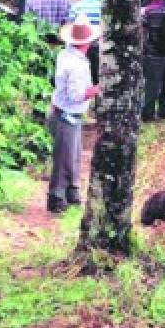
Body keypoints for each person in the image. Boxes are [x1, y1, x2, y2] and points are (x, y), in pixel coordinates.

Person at [48, 15, 103, 213]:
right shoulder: (77, 64)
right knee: (65, 158)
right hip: (67, 114)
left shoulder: (66, 55)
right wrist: (95, 90)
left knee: (73, 155)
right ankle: (57, 197)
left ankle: (72, 191)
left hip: (63, 112)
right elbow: (75, 95)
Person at [69, 0, 103, 83]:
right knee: (98, 75)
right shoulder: (101, 6)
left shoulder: (76, 7)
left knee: (83, 76)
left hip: (82, 45)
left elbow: (71, 26)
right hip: (98, 43)